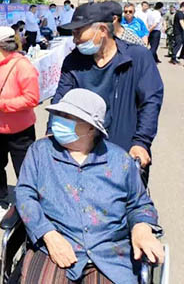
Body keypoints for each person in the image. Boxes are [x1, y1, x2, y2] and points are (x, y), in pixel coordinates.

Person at [16, 88, 164, 284]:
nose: (58, 121)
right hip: (55, 244)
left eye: (68, 116)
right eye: (58, 115)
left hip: (109, 252)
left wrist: (141, 228)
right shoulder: (40, 152)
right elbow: (25, 194)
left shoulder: (119, 161)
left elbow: (139, 203)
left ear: (91, 128)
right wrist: (48, 235)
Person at [50, 2, 164, 182]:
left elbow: (150, 102)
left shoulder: (137, 58)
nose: (74, 39)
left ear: (102, 29)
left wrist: (141, 143)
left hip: (124, 152)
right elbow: (60, 100)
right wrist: (52, 133)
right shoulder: (73, 62)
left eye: (78, 32)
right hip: (82, 152)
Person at [0, 26, 40, 224]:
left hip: (20, 131)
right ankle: (2, 203)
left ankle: (30, 210)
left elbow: (32, 99)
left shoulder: (23, 66)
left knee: (24, 171)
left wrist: (1, 104)